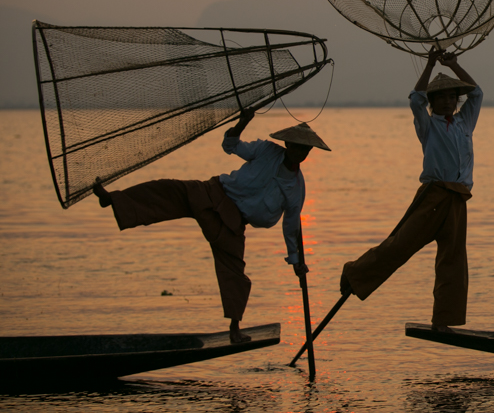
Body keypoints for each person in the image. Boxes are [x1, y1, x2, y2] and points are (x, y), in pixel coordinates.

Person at [92, 109, 330, 343]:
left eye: (306, 149)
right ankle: (112, 199)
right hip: (214, 193)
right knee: (169, 190)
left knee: (235, 272)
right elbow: (231, 145)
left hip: (233, 222)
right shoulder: (267, 150)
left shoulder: (296, 188)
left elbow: (291, 226)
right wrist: (241, 123)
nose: (301, 152)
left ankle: (234, 329)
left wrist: (296, 262)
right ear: (287, 145)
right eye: (298, 146)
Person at [340, 48, 482, 331]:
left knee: (452, 260)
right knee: (402, 244)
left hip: (458, 199)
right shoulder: (429, 125)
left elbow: (476, 93)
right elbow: (416, 99)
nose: (447, 101)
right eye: (440, 97)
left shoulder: (465, 122)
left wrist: (455, 65)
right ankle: (355, 273)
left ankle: (445, 320)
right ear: (433, 102)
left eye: (451, 96)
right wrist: (430, 65)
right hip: (433, 195)